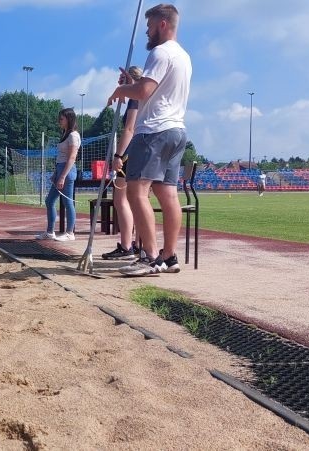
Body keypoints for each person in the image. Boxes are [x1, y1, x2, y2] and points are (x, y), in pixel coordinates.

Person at [107, 3, 192, 276]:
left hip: (154, 130)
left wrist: (122, 89)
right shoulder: (183, 56)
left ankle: (150, 257)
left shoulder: (160, 52)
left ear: (162, 24)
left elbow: (144, 91)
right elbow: (153, 88)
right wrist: (131, 82)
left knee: (135, 191)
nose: (147, 31)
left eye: (150, 26)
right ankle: (169, 256)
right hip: (177, 130)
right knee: (168, 194)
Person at [102, 66, 144, 260]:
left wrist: (118, 155)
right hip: (138, 153)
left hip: (130, 155)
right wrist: (119, 96)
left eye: (122, 80)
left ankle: (127, 246)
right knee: (133, 201)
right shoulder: (139, 98)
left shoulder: (136, 99)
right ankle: (134, 245)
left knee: (122, 200)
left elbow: (129, 129)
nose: (120, 83)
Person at [36, 108, 80, 241]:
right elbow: (61, 157)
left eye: (61, 119)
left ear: (69, 119)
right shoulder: (65, 134)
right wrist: (56, 173)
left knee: (67, 202)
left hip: (68, 171)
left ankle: (70, 233)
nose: (59, 121)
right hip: (60, 169)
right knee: (49, 201)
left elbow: (72, 157)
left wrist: (62, 176)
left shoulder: (73, 135)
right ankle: (50, 232)